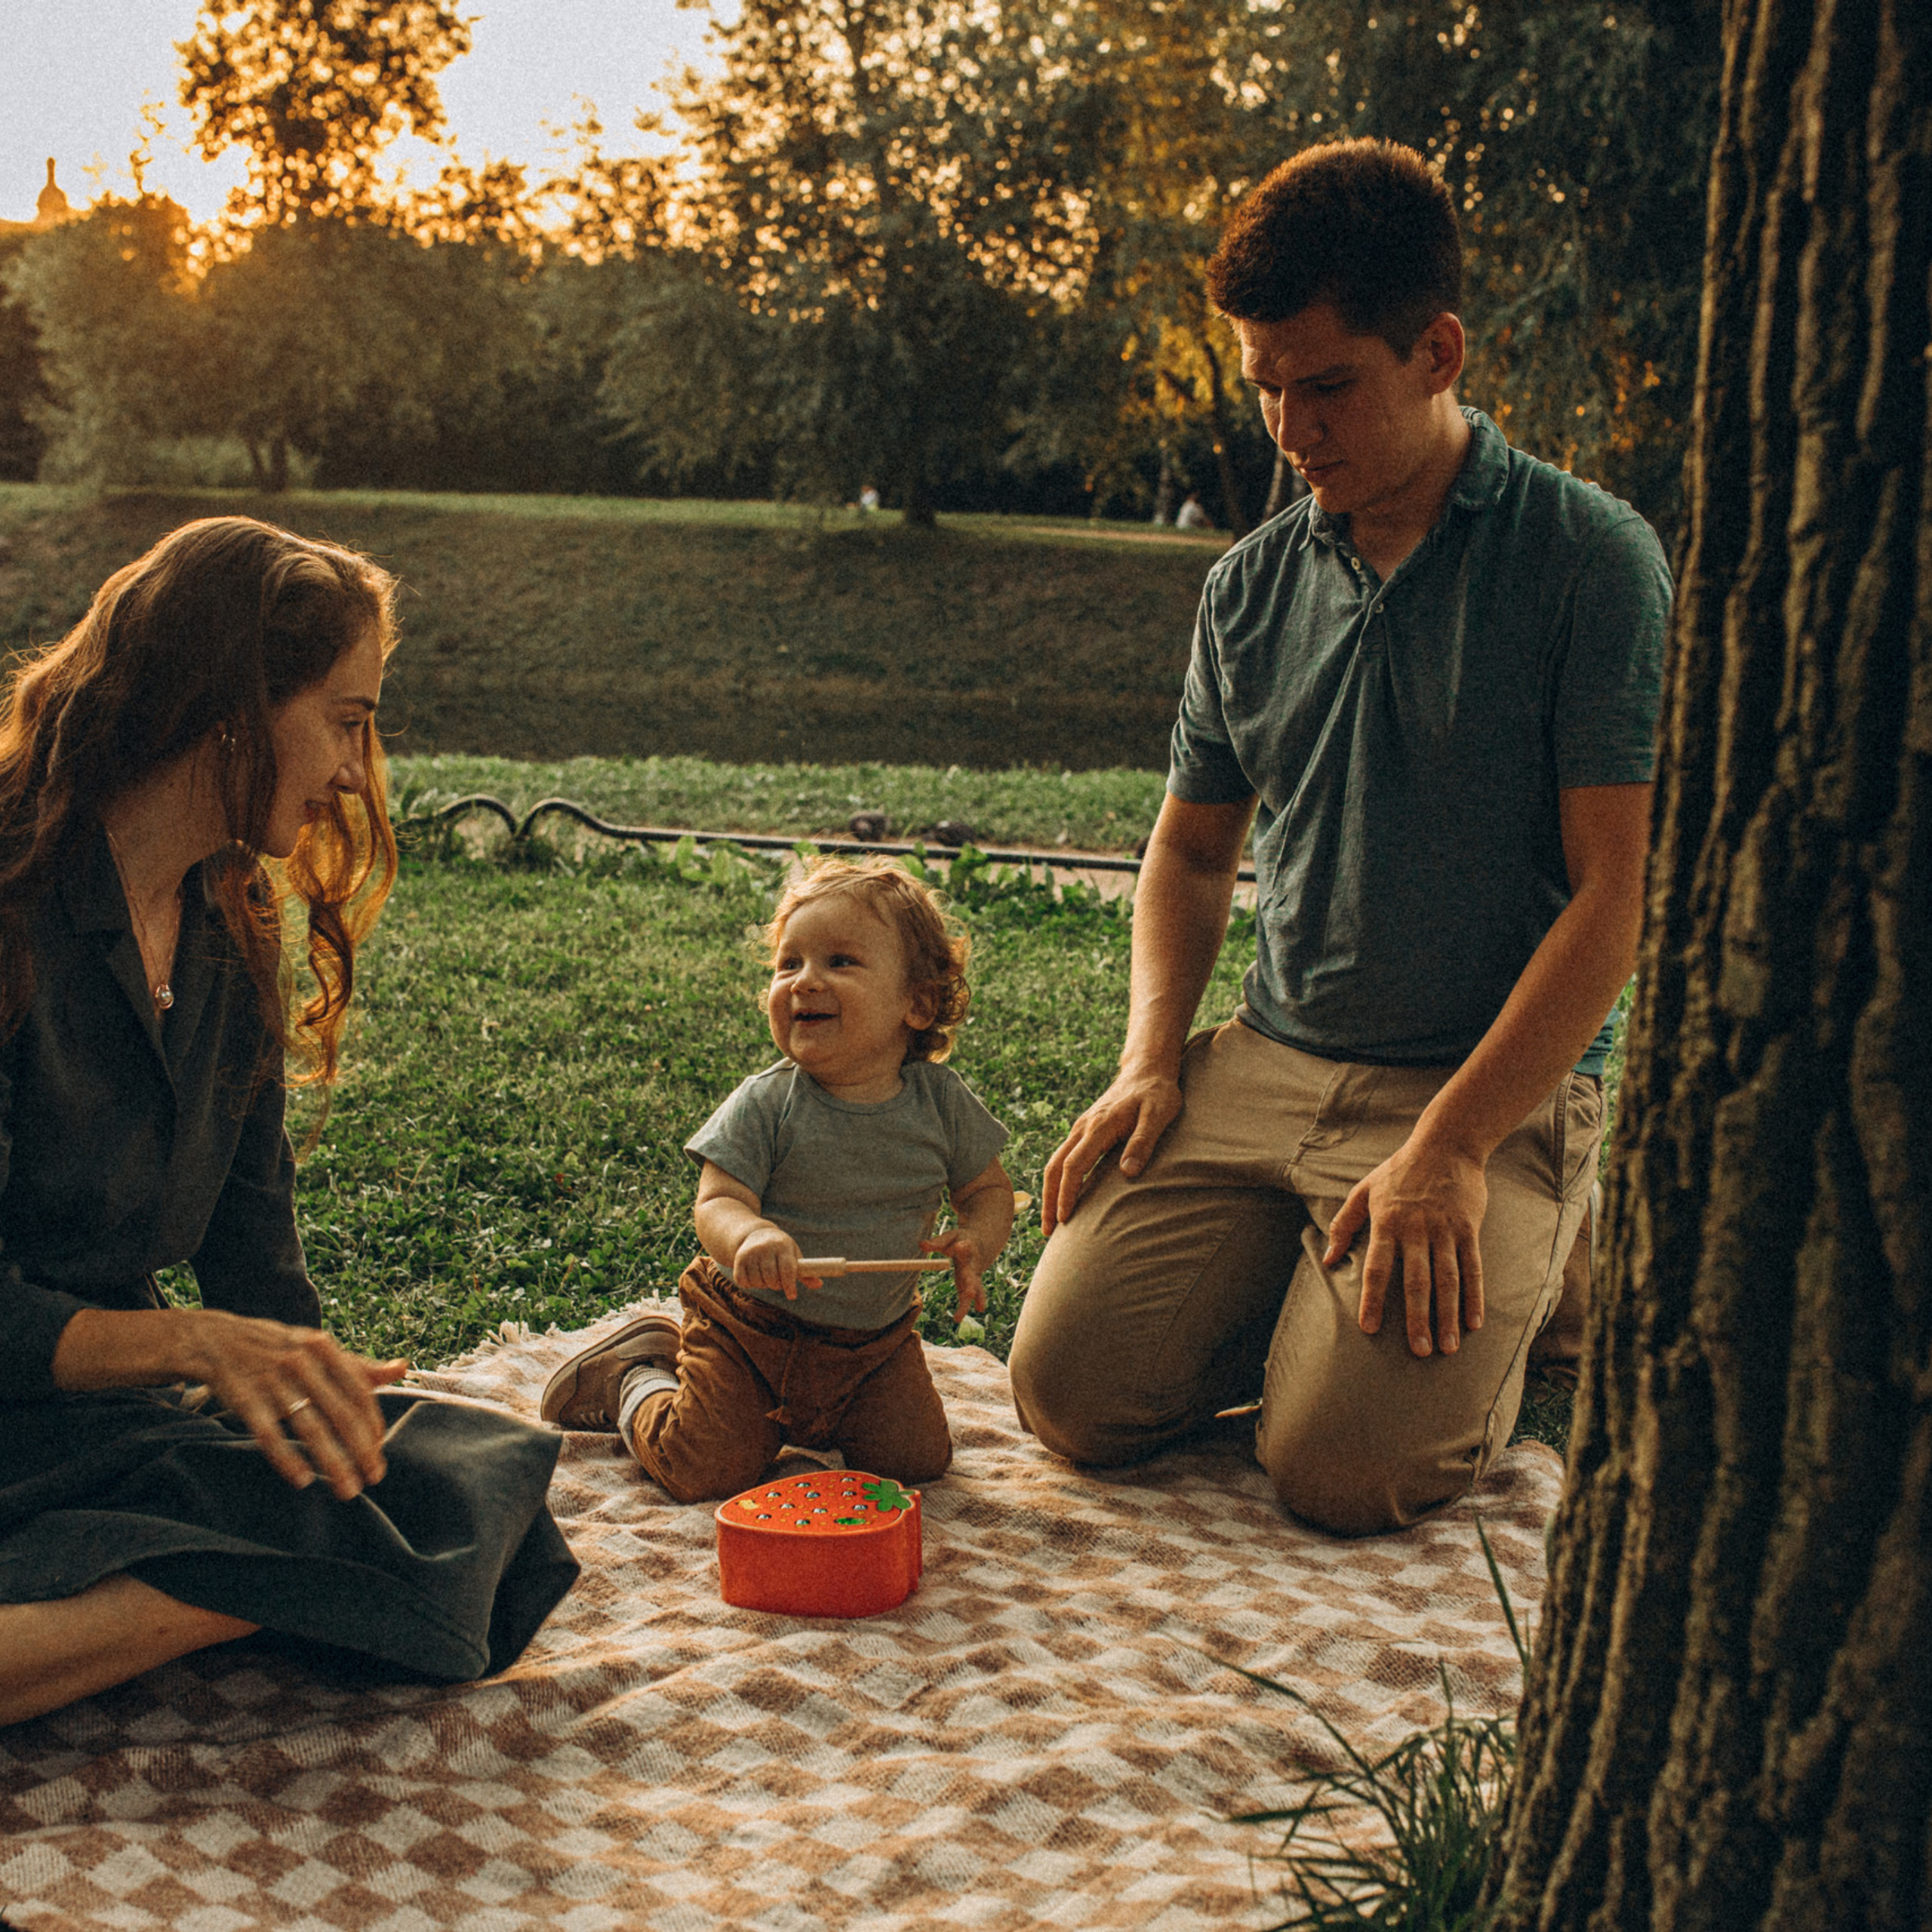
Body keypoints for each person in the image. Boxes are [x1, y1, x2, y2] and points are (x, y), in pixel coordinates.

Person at [1008, 139, 1670, 1535]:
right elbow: (1189, 856)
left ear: (1438, 352)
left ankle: (1542, 1243)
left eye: (1327, 386)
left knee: (1340, 1475)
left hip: (1481, 1087)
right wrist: (1148, 1064)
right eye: (1265, 389)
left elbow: (1620, 893)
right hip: (1269, 1057)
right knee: (1069, 1399)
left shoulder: (1590, 560)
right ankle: (1305, 1283)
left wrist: (1454, 1145)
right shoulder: (1249, 587)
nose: (1292, 431)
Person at [0, 517, 578, 1727]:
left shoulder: (231, 922)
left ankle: (122, 1607)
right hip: (30, 1413)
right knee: (370, 1534)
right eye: (348, 720)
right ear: (230, 706)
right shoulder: (14, 912)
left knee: (470, 1480)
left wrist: (315, 1402)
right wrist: (193, 1348)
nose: (359, 773)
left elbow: (254, 1259)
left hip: (102, 1425)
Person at [541, 857, 1014, 1501]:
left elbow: (987, 1190)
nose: (804, 982)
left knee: (916, 1462)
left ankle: (821, 1415)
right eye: (789, 963)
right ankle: (635, 1376)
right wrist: (749, 1237)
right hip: (749, 1331)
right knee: (703, 1468)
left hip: (873, 1345)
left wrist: (976, 1240)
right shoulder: (770, 1102)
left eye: (840, 962)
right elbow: (717, 1201)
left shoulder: (941, 1103)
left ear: (917, 1003)